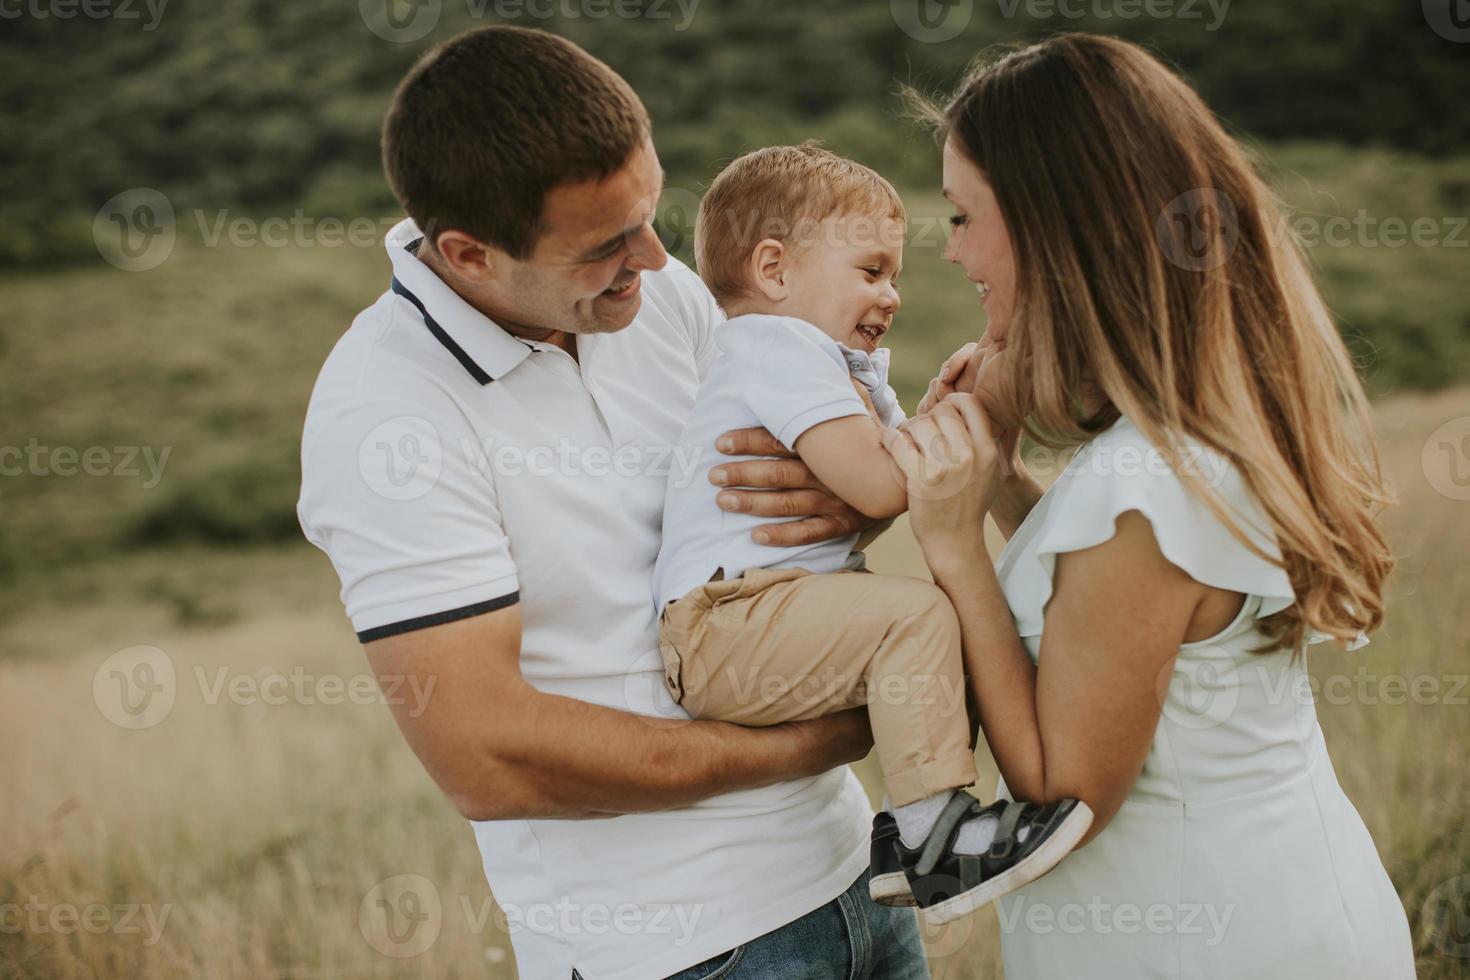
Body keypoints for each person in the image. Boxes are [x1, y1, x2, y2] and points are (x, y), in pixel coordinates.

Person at [297, 25, 932, 980]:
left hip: (855, 882)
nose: (656, 255)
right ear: (470, 255)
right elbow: (487, 756)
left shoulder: (659, 293)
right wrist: (817, 739)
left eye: (649, 211)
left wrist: (860, 505)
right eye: (606, 245)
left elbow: (803, 471)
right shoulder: (383, 415)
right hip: (676, 951)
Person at [885, 33, 1417, 978]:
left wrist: (956, 542)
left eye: (964, 216)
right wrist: (1003, 480)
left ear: (1058, 225)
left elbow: (1063, 793)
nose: (954, 248)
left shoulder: (1142, 489)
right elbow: (1110, 625)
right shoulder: (1185, 446)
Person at [653, 142, 1092, 926]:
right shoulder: (778, 347)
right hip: (726, 623)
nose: (892, 294)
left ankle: (927, 826)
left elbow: (890, 478)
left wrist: (933, 421)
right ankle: (928, 836)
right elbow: (885, 485)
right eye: (872, 270)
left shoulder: (829, 362)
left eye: (895, 275)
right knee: (917, 616)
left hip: (755, 616)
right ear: (775, 270)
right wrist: (979, 413)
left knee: (921, 623)